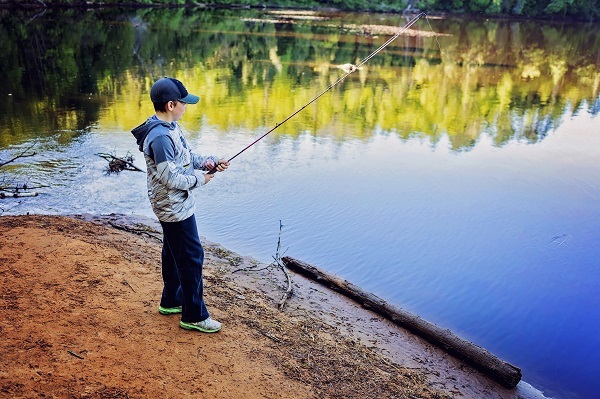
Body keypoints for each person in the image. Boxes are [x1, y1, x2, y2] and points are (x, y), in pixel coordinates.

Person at [131, 77, 229, 333]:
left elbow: (185, 158)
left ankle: (171, 300)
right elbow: (170, 178)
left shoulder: (170, 127)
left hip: (176, 204)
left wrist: (209, 162)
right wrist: (202, 179)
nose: (186, 106)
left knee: (173, 251)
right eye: (183, 103)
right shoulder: (160, 138)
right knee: (192, 256)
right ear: (171, 104)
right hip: (172, 207)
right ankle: (194, 315)